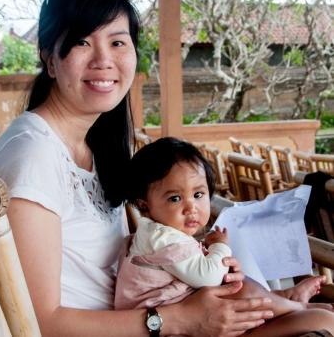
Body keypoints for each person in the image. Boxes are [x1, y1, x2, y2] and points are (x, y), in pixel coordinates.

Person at [0, 0, 328, 336]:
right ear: (50, 58)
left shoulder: (92, 146)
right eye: (81, 42)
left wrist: (196, 255)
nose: (104, 60)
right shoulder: (33, 156)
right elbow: (39, 322)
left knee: (323, 314)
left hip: (151, 313)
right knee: (323, 321)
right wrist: (178, 319)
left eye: (118, 41)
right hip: (148, 324)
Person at [114, 137, 334, 336]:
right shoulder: (162, 237)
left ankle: (285, 299)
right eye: (174, 198)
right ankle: (295, 305)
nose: (191, 207)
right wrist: (220, 247)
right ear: (144, 204)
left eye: (198, 194)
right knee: (242, 289)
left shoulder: (155, 232)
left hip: (184, 316)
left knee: (239, 285)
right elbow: (207, 277)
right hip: (174, 326)